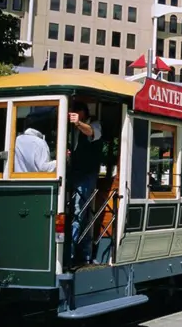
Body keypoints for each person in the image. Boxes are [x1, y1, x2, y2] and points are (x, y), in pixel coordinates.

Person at [68, 101, 103, 265]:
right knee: (76, 212)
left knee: (79, 211)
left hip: (86, 175)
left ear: (82, 112)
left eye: (75, 111)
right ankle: (80, 252)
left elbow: (91, 133)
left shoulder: (94, 124)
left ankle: (73, 253)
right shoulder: (70, 128)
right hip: (71, 174)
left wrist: (78, 123)